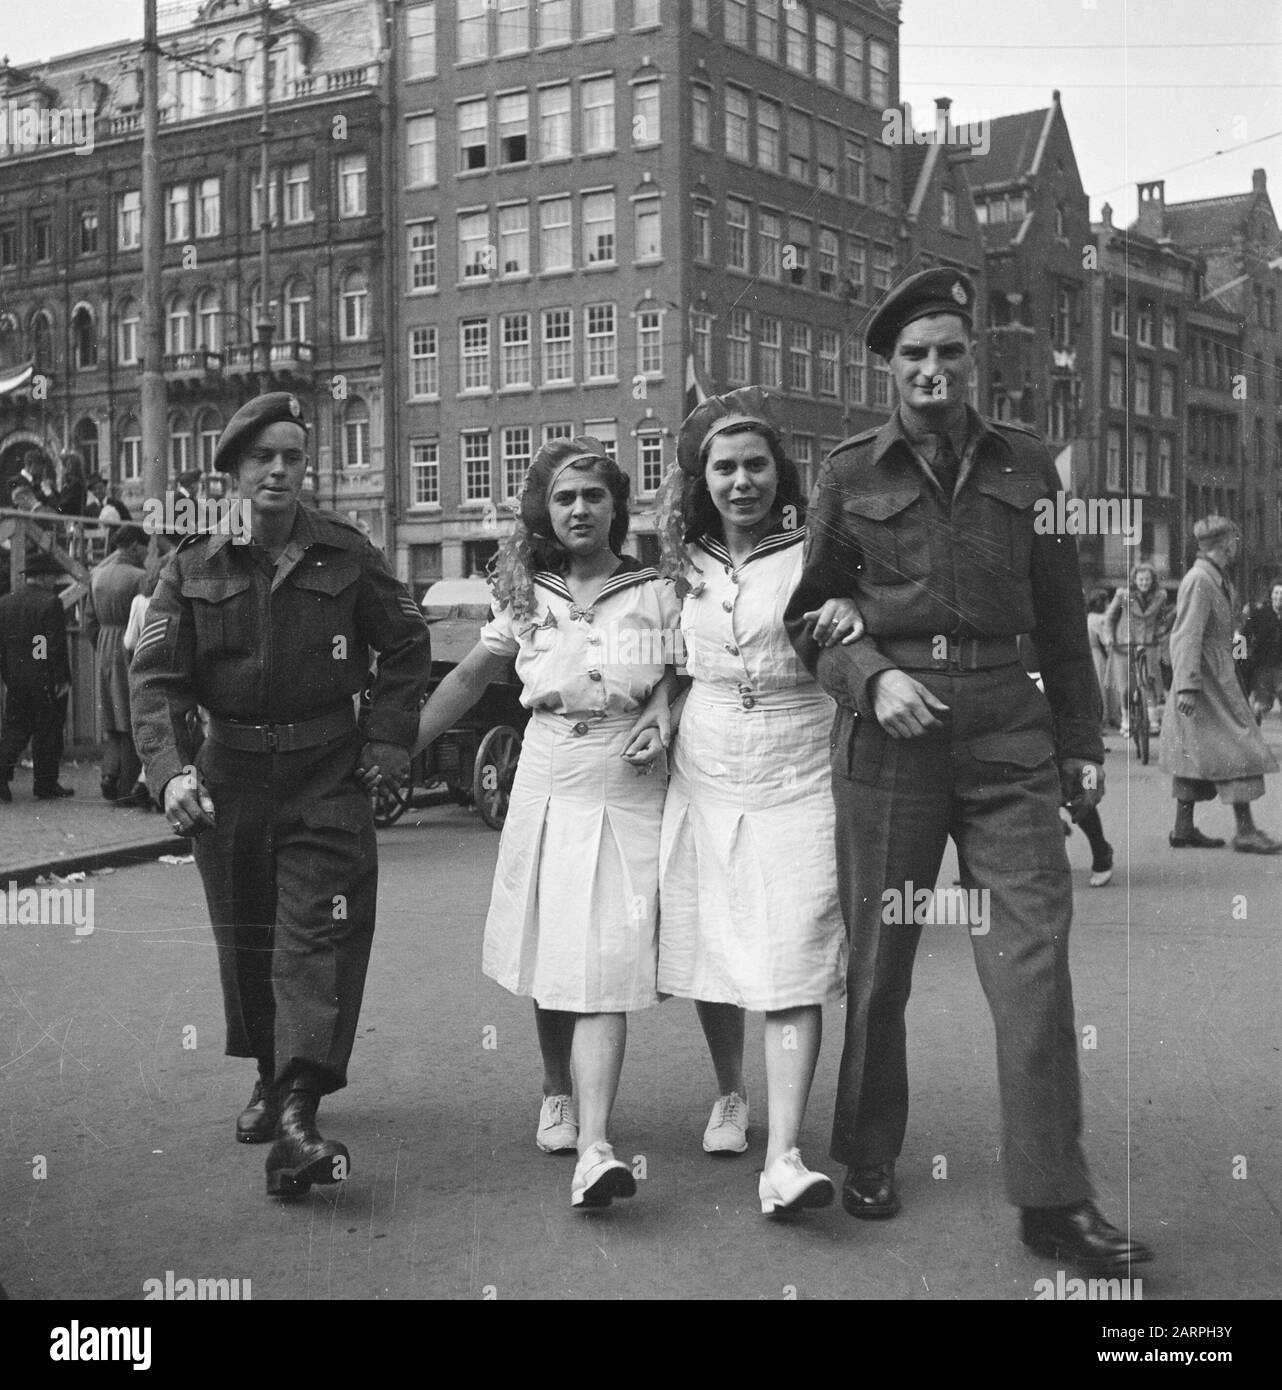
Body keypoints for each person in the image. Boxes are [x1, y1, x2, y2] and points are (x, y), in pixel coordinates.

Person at [785, 266, 1151, 1272]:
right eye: (913, 355)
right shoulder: (848, 472)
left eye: (949, 350)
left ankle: (1053, 1199)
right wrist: (867, 678)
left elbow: (1065, 617)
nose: (933, 369)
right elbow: (805, 622)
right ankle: (866, 1148)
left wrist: (1080, 742)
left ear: (971, 358)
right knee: (882, 961)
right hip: (892, 737)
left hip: (1005, 731)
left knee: (1031, 966)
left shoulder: (1031, 467)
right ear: (889, 370)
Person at [130, 392, 432, 1197]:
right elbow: (155, 681)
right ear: (231, 470)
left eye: (293, 456)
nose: (279, 470)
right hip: (229, 784)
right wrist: (170, 774)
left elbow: (406, 645)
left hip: (326, 778)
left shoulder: (346, 552)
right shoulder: (190, 565)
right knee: (252, 943)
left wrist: (388, 741)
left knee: (315, 939)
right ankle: (270, 1074)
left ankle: (299, 1112)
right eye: (263, 456)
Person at [379, 438, 674, 1210]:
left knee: (606, 951)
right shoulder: (526, 594)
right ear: (547, 508)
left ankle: (600, 1142)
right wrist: (393, 751)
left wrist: (663, 716)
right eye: (566, 497)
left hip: (623, 777)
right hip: (545, 774)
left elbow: (684, 680)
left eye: (595, 496)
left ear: (617, 507)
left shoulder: (655, 592)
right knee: (552, 946)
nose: (580, 509)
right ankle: (557, 1093)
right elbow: (473, 675)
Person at [643, 388, 857, 1216]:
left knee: (796, 942)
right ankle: (730, 1090)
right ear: (703, 479)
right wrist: (662, 706)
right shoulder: (680, 563)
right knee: (715, 932)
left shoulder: (820, 549)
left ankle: (785, 1154)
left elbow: (860, 613)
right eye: (725, 468)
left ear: (781, 472)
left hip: (801, 761)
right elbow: (668, 660)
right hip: (708, 760)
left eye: (756, 465)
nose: (742, 483)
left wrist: (845, 604)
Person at [1159, 518, 1281, 853]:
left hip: (1215, 675)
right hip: (1206, 681)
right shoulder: (1200, 580)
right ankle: (1246, 831)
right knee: (1240, 746)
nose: (1237, 546)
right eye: (1235, 541)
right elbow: (1185, 636)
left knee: (1194, 749)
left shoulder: (1214, 578)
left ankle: (1183, 828)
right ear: (1226, 544)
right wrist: (1185, 686)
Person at [0, 552, 74, 802]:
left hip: (15, 678)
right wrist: (61, 677)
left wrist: (8, 674)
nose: (54, 581)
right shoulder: (50, 602)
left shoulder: (6, 602)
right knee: (47, 733)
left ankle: (2, 773)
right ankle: (45, 784)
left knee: (14, 730)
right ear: (42, 576)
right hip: (42, 679)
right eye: (53, 576)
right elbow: (49, 644)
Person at [85, 524, 150, 807]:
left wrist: (101, 645)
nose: (147, 553)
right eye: (145, 547)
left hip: (104, 645)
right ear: (136, 545)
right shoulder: (140, 577)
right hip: (130, 647)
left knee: (112, 718)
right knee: (131, 716)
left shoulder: (97, 575)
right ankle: (126, 787)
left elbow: (89, 621)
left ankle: (109, 774)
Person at [1106, 562, 1169, 738]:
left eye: (1147, 579)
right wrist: (1110, 637)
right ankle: (1126, 719)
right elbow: (1110, 617)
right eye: (1141, 579)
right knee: (1125, 687)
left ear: (1152, 580)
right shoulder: (1123, 595)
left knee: (1148, 682)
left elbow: (1162, 620)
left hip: (1148, 644)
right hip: (1124, 644)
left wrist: (1160, 633)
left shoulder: (1160, 596)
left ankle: (1153, 720)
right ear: (1135, 579)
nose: (1144, 583)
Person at [1243, 581, 1282, 724]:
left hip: (1280, 667)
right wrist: (1238, 657)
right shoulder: (1261, 615)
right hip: (1262, 667)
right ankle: (1255, 720)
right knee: (1264, 705)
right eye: (1276, 593)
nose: (1279, 597)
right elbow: (1244, 633)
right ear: (1271, 595)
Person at [1085, 589, 1121, 728]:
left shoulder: (1088, 617)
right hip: (1099, 655)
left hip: (1090, 653)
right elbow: (1105, 640)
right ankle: (1107, 717)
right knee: (1105, 687)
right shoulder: (1100, 620)